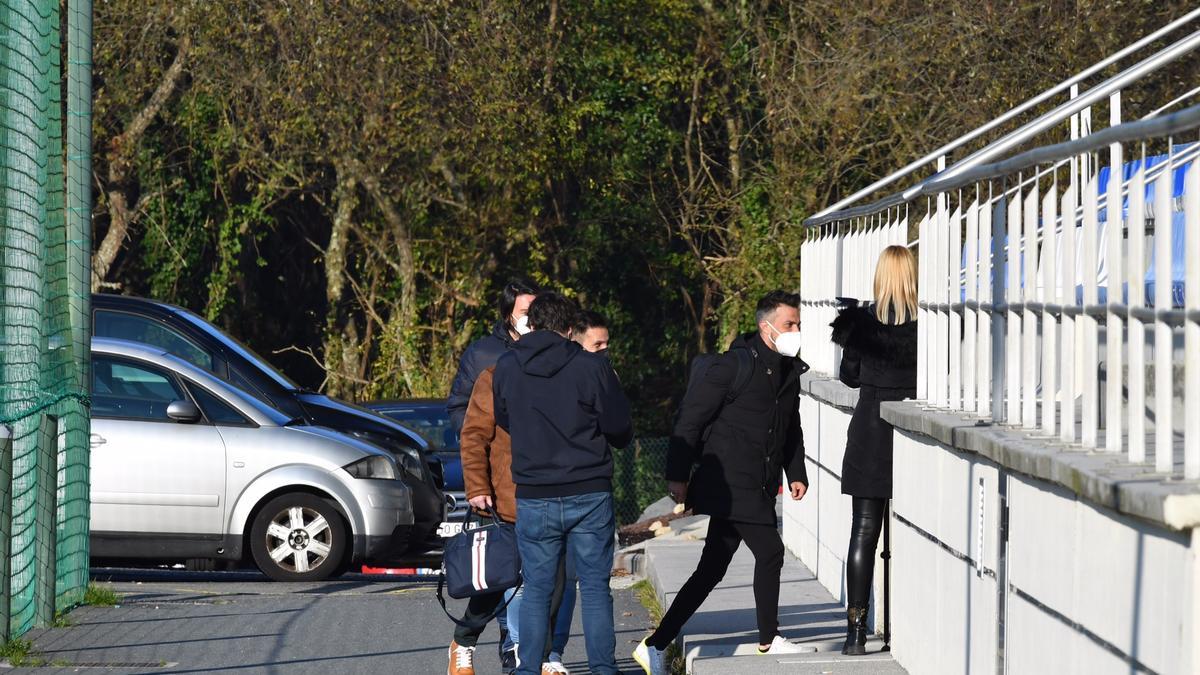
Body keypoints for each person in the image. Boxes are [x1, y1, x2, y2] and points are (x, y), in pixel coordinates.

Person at [634, 290, 811, 674]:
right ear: (766, 328)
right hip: (729, 482)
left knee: (712, 568)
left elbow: (790, 427)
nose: (796, 331)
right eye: (789, 324)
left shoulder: (788, 370)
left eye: (797, 324)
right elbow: (690, 420)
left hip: (758, 482)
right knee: (770, 551)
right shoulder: (733, 366)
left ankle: (655, 643)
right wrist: (677, 476)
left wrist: (796, 472)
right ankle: (769, 638)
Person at [493, 293, 634, 675]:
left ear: (531, 324)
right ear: (570, 329)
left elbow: (504, 418)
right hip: (588, 488)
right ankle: (604, 668)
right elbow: (619, 429)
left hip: (535, 492)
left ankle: (528, 670)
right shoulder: (591, 367)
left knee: (538, 589)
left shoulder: (507, 366)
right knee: (593, 587)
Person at [445, 277, 538, 671]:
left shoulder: (552, 355)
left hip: (541, 482)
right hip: (501, 485)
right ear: (507, 312)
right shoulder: (484, 355)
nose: (530, 320)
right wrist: (478, 478)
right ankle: (466, 641)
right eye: (524, 312)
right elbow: (464, 416)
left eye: (536, 312)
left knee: (536, 577)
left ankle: (524, 653)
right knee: (502, 574)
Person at [829, 245, 918, 656]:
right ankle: (909, 628)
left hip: (870, 428)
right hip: (914, 429)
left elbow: (849, 377)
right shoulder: (928, 324)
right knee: (916, 532)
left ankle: (856, 632)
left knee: (864, 530)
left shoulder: (862, 323)